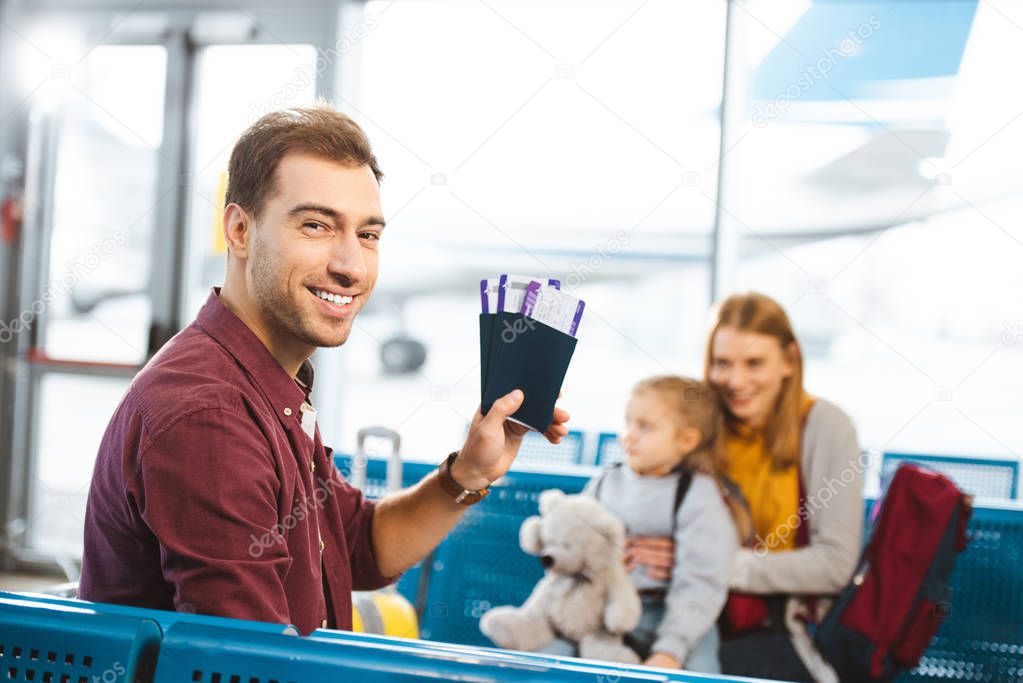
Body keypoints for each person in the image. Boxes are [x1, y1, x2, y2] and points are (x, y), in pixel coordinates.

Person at [78, 105, 570, 635]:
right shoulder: (209, 414)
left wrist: (468, 474)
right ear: (239, 231)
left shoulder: (264, 383)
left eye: (368, 235)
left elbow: (358, 545)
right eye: (316, 225)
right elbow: (249, 665)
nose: (351, 265)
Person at [627, 293, 863, 682]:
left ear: (789, 360)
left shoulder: (827, 428)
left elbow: (834, 564)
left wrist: (703, 564)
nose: (736, 381)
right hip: (675, 613)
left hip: (775, 628)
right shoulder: (697, 423)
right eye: (723, 363)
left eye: (754, 363)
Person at [544, 375, 739, 672]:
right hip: (603, 612)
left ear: (686, 441)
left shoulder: (697, 496)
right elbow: (570, 536)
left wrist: (671, 650)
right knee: (548, 660)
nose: (629, 435)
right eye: (628, 423)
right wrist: (597, 560)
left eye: (645, 427)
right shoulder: (608, 480)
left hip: (672, 618)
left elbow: (702, 582)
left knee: (701, 669)